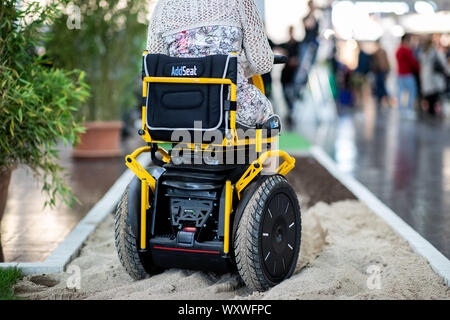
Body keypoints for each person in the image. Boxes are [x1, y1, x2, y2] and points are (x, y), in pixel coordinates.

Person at [146, 0, 275, 128]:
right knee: (266, 110)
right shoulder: (240, 2)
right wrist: (233, 69)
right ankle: (264, 147)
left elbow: (156, 64)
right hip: (229, 104)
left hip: (175, 106)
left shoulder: (163, 6)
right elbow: (262, 62)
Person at [419, 36, 448, 116]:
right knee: (433, 97)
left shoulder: (423, 53)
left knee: (428, 96)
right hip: (433, 78)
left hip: (426, 77)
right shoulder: (434, 52)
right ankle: (432, 112)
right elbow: (443, 63)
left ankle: (429, 111)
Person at [395, 34, 420, 119]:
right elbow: (413, 62)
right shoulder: (407, 50)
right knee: (412, 92)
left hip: (400, 74)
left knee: (400, 93)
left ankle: (401, 110)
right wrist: (419, 68)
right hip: (407, 74)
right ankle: (409, 110)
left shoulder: (398, 50)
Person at [280, 26, 300, 124]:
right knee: (285, 94)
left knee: (291, 95)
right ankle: (289, 112)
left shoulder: (297, 45)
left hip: (293, 76)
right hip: (285, 75)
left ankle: (291, 113)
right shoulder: (286, 45)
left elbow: (297, 61)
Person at [372, 40, 390, 108]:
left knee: (382, 86)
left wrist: (387, 69)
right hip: (378, 71)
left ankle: (386, 99)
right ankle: (380, 99)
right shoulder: (376, 53)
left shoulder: (382, 51)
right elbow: (374, 63)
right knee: (379, 86)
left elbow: (386, 61)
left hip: (383, 71)